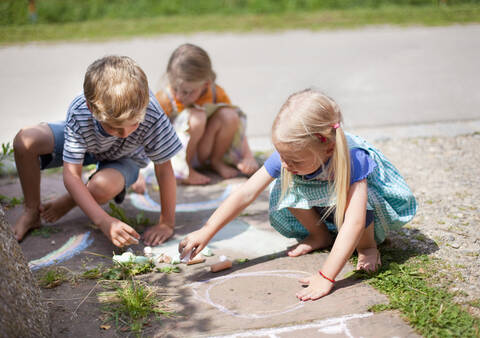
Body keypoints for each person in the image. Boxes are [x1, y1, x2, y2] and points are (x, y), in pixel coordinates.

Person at [178, 89, 417, 301]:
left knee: (365, 202)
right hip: (328, 205)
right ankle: (319, 235)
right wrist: (207, 230)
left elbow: (355, 221)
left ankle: (367, 247)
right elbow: (246, 193)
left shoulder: (353, 158)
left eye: (293, 160)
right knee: (283, 185)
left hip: (362, 218)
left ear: (328, 148)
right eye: (282, 156)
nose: (284, 163)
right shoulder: (290, 155)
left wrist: (326, 276)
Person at [12, 55, 182, 247]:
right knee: (25, 141)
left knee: (101, 187)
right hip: (89, 145)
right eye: (115, 127)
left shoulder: (150, 111)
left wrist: (167, 223)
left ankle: (72, 200)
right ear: (91, 107)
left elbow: (164, 168)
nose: (124, 134)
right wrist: (104, 221)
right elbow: (72, 175)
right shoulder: (80, 111)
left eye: (134, 124)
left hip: (126, 158)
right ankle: (32, 211)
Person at [154, 43, 259, 185]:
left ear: (206, 84)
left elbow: (237, 127)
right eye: (175, 88)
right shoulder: (165, 98)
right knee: (197, 117)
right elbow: (150, 134)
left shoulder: (215, 92)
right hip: (177, 156)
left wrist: (248, 156)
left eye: (186, 92)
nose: (179, 95)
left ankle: (216, 162)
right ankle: (186, 169)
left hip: (205, 151)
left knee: (230, 115)